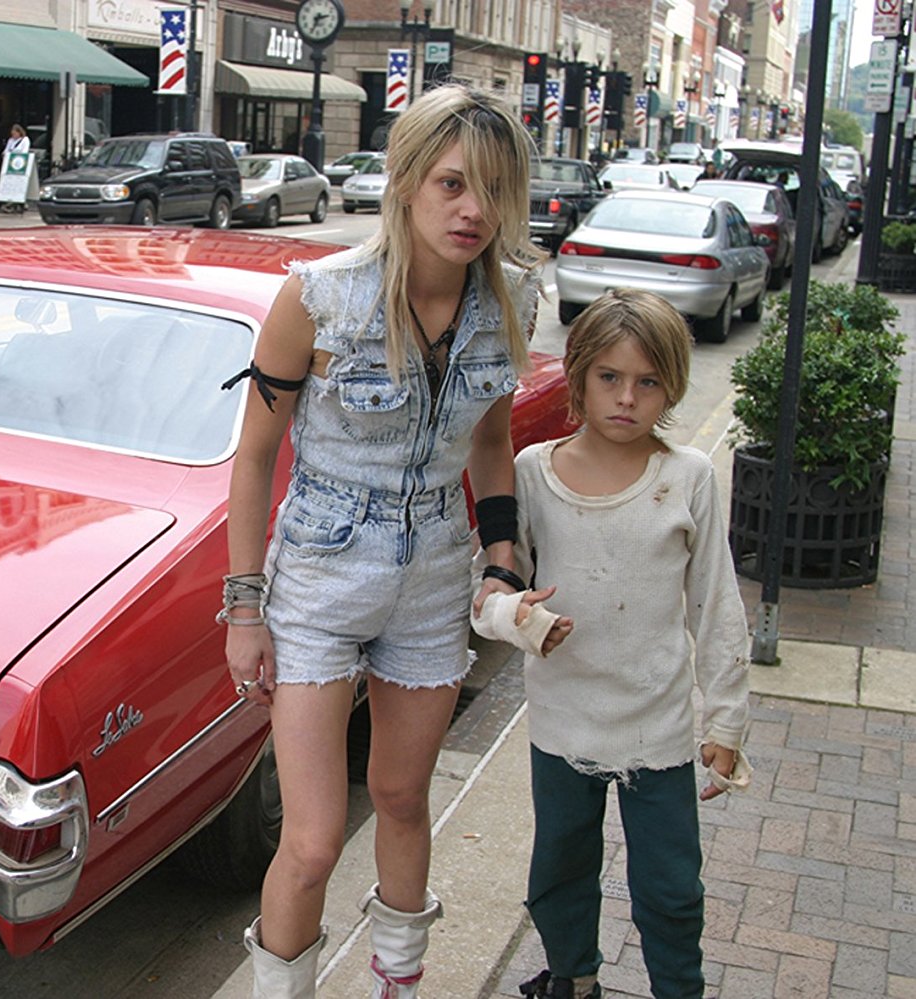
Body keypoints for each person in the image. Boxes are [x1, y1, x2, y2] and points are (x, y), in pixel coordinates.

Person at [222, 83, 544, 998]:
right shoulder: (318, 298)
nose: (474, 210)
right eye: (451, 184)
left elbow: (489, 438)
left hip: (436, 579)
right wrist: (244, 608)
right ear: (405, 182)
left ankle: (397, 985)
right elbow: (253, 459)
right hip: (321, 579)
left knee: (403, 798)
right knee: (315, 836)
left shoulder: (511, 298)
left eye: (492, 189)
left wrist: (502, 557)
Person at [471, 289, 752, 999]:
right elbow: (489, 602)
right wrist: (524, 622)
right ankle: (574, 978)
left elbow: (715, 601)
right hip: (563, 724)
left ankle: (678, 988)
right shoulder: (533, 471)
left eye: (648, 381)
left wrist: (726, 718)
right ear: (578, 377)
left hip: (658, 729)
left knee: (671, 884)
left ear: (672, 387)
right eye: (609, 377)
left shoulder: (686, 477)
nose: (627, 397)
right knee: (560, 869)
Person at [0, 124, 30, 213]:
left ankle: (18, 203)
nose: (13, 136)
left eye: (15, 133)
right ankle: (10, 202)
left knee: (19, 184)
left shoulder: (25, 140)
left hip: (19, 166)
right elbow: (6, 150)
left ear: (19, 133)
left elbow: (24, 152)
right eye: (12, 134)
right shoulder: (10, 140)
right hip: (9, 165)